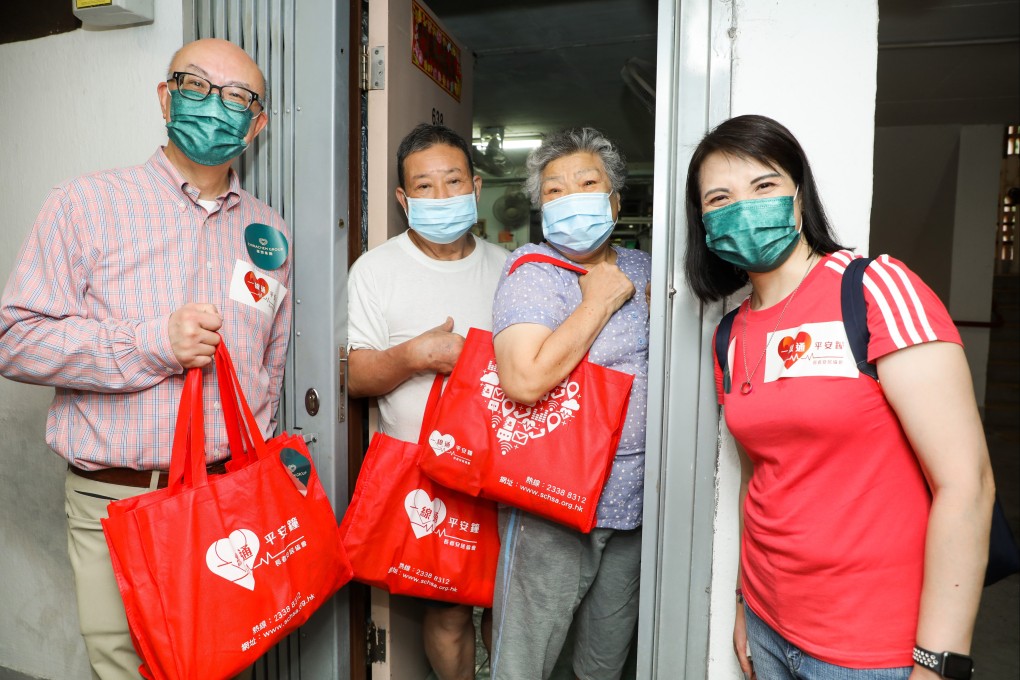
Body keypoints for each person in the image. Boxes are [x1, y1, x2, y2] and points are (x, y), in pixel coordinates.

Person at [0, 38, 290, 679]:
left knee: (226, 661)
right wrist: (152, 344)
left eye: (238, 97)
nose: (215, 106)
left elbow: (268, 364)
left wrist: (254, 473)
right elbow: (15, 339)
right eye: (196, 85)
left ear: (257, 124)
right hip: (116, 501)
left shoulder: (269, 232)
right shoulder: (84, 205)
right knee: (126, 669)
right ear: (165, 97)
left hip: (228, 502)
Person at [684, 114, 995, 680]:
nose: (742, 208)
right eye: (719, 198)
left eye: (763, 185)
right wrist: (743, 601)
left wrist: (938, 664)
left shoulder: (874, 289)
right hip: (769, 626)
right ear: (703, 223)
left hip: (870, 648)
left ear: (799, 197)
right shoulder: (729, 334)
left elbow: (967, 485)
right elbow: (760, 477)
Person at [346, 123, 507, 680]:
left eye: (453, 181)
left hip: (508, 471)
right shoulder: (375, 271)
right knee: (449, 610)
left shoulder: (512, 267)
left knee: (511, 610)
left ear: (476, 186)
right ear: (402, 198)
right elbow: (356, 377)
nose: (441, 196)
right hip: (428, 477)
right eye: (424, 186)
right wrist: (416, 355)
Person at [488, 128, 650, 680]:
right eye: (555, 190)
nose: (571, 197)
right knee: (525, 661)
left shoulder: (645, 269)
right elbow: (523, 379)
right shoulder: (532, 271)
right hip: (553, 499)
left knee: (604, 661)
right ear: (541, 208)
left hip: (633, 500)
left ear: (615, 202)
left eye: (587, 183)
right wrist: (598, 302)